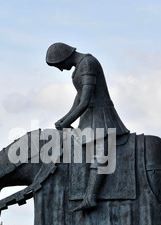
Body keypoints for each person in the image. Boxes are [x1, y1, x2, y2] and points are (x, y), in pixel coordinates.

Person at [46, 42, 129, 213]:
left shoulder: (88, 63)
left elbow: (85, 100)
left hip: (101, 116)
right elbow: (78, 98)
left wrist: (68, 120)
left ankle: (90, 197)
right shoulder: (79, 68)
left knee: (100, 152)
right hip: (88, 117)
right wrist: (64, 119)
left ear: (64, 56)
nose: (61, 69)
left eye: (59, 65)